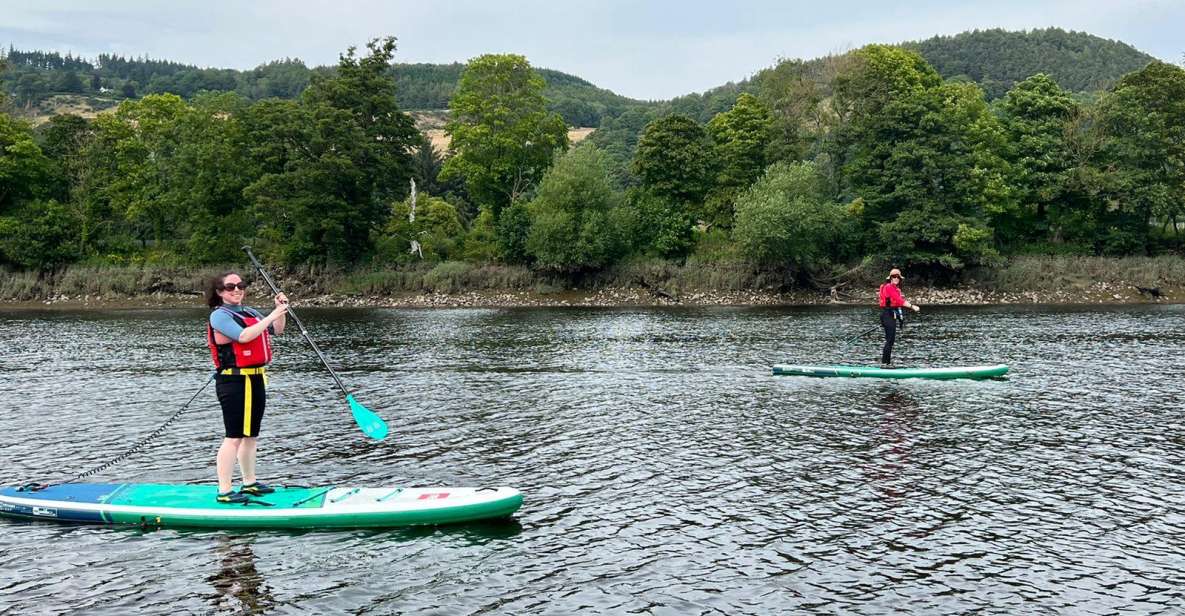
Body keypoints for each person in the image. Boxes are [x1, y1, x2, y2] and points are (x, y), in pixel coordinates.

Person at [205, 272, 287, 503]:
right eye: (230, 286)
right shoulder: (219, 316)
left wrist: (280, 311)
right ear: (220, 292)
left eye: (240, 285)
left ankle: (249, 483)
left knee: (251, 435)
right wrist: (272, 315)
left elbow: (276, 330)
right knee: (234, 436)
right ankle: (224, 491)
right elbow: (243, 336)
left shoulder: (250, 312)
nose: (237, 289)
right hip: (233, 381)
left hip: (256, 379)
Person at [878, 268, 920, 367]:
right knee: (890, 340)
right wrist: (912, 306)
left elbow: (898, 302)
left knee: (891, 340)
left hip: (891, 315)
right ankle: (885, 364)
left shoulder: (896, 289)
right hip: (887, 315)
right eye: (894, 276)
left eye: (898, 277)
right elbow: (899, 300)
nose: (896, 278)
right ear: (890, 278)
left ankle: (887, 363)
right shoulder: (888, 287)